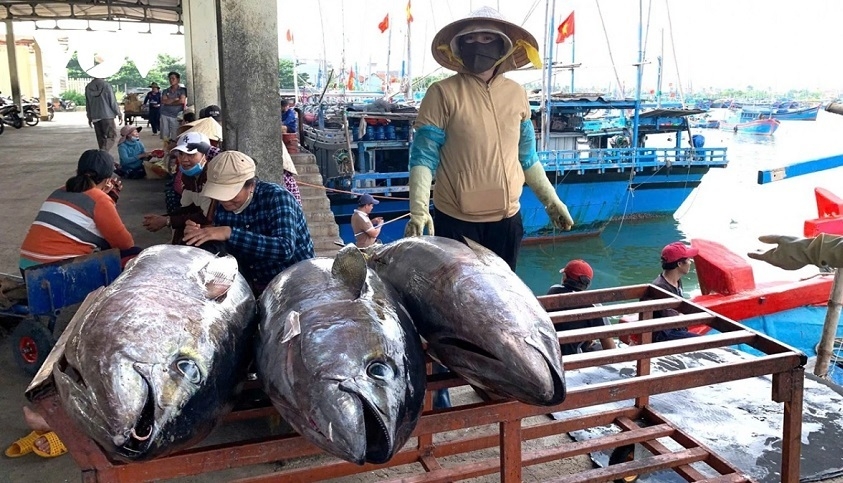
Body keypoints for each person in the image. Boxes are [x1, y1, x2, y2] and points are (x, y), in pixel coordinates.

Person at [405, 7, 573, 271]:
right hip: (456, 221)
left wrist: (552, 201)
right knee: (458, 298)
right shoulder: (441, 93)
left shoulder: (517, 94)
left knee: (504, 295)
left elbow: (527, 158)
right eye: (469, 40)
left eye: (486, 39)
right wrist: (419, 209)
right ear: (459, 47)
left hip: (507, 221)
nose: (477, 46)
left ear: (502, 46)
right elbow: (423, 158)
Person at [181, 150, 314, 295]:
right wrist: (201, 237)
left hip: (295, 283)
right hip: (254, 285)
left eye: (231, 195)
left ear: (251, 185)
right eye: (220, 195)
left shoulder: (277, 197)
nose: (225, 201)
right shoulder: (221, 207)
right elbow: (227, 252)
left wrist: (229, 233)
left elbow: (285, 248)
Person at [19, 150, 140, 270]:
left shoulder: (59, 191)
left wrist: (106, 197)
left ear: (78, 171)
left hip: (27, 268)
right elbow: (125, 244)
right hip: (55, 272)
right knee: (135, 254)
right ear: (108, 180)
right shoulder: (99, 199)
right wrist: (108, 198)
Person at [142, 132, 214, 244]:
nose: (184, 159)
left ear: (204, 156)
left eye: (191, 154)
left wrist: (167, 221)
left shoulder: (212, 176)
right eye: (181, 154)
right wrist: (163, 218)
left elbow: (207, 217)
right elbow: (187, 207)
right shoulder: (188, 175)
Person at [546, 259, 617, 355]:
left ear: (565, 277)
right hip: (574, 358)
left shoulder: (553, 291)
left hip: (550, 353)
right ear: (587, 284)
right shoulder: (593, 306)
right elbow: (610, 347)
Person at [640, 242, 701, 342]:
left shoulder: (677, 281)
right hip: (663, 334)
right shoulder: (660, 288)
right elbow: (673, 320)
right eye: (688, 259)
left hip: (673, 329)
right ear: (679, 264)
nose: (691, 262)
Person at [85, 78, 123, 153]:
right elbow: (112, 102)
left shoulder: (88, 87)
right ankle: (103, 152)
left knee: (101, 138)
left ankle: (102, 155)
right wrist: (119, 113)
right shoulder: (106, 85)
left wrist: (89, 117)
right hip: (107, 116)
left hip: (95, 116)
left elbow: (88, 104)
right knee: (111, 136)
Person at [160, 71, 187, 143]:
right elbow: (164, 101)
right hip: (165, 114)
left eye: (173, 78)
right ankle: (166, 149)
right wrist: (175, 99)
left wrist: (169, 101)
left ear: (178, 80)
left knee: (175, 135)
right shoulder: (166, 91)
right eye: (170, 79)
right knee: (165, 135)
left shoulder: (182, 90)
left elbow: (182, 101)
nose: (171, 80)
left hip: (176, 116)